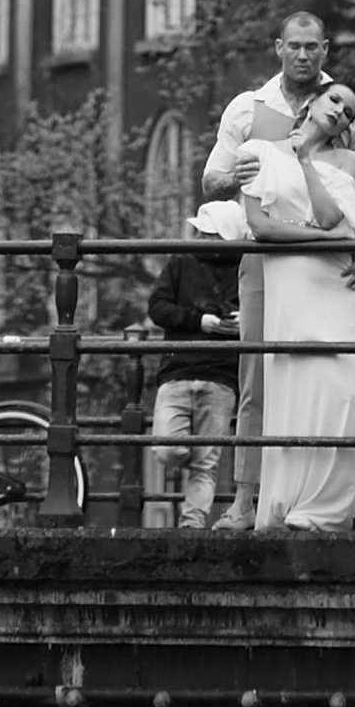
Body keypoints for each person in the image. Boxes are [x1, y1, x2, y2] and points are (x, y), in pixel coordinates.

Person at [200, 14, 355, 533]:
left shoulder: (348, 108)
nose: (304, 56)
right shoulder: (247, 108)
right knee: (258, 368)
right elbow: (213, 176)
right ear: (279, 48)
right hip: (269, 259)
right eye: (294, 46)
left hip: (333, 268)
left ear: (325, 51)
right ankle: (246, 498)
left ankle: (335, 495)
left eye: (313, 48)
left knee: (338, 377)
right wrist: (230, 176)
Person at [143, 206, 242, 531]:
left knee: (207, 463)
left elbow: (269, 307)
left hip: (220, 376)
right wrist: (199, 320)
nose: (200, 238)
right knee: (168, 450)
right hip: (179, 370)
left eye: (207, 233)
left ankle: (192, 527)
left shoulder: (247, 270)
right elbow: (157, 308)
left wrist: (246, 320)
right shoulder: (180, 264)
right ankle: (192, 522)